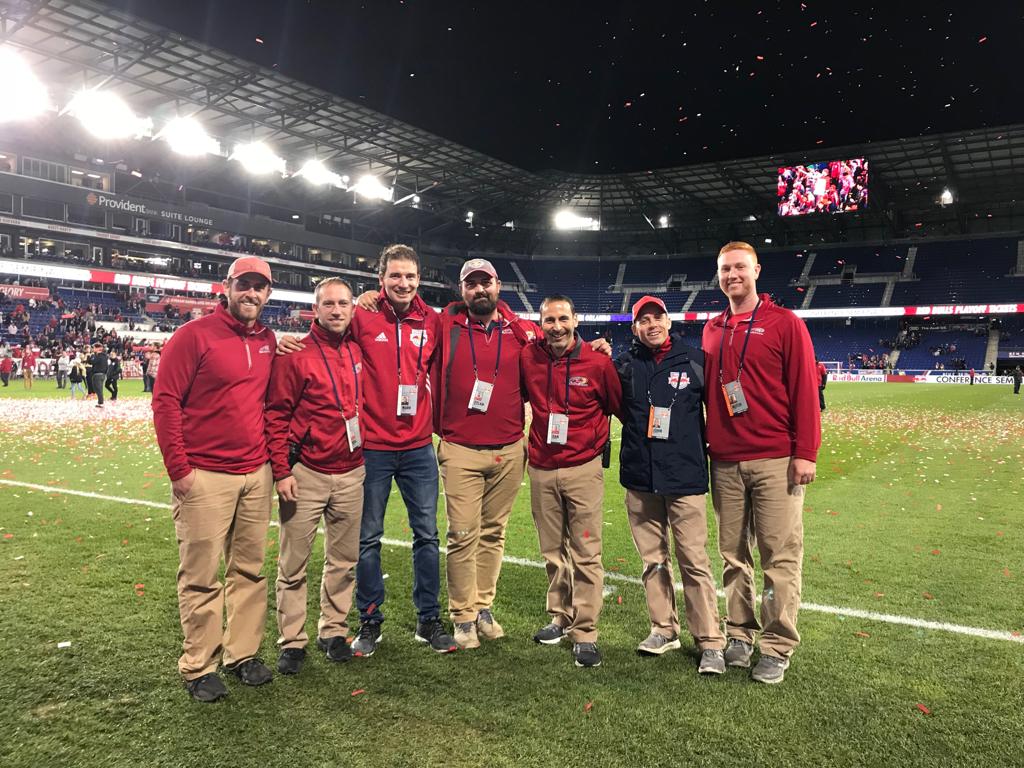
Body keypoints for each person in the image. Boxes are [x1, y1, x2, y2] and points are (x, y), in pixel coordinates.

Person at [277, 244, 456, 655]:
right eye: (395, 275)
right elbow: (326, 335)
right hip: (370, 448)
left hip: (417, 447)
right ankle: (369, 620)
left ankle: (428, 619)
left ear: (419, 278)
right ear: (381, 279)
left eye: (410, 276)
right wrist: (284, 340)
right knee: (366, 539)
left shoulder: (433, 321)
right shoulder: (360, 314)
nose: (403, 283)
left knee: (427, 535)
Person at [152, 256, 277, 702]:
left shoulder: (268, 338)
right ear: (226, 286)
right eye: (245, 285)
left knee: (250, 571)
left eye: (260, 288)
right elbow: (165, 402)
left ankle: (242, 654)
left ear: (268, 294)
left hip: (256, 473)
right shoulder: (193, 336)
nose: (252, 294)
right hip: (204, 475)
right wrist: (180, 471)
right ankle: (199, 666)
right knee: (201, 575)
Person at [702, 242, 821, 685]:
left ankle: (776, 644)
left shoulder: (785, 323)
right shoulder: (712, 328)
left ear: (756, 270)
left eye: (739, 267)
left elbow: (805, 391)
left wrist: (805, 452)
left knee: (779, 557)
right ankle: (738, 633)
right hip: (726, 461)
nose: (732, 275)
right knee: (733, 555)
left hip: (775, 458)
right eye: (724, 269)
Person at [614, 296, 726, 674]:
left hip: (685, 475)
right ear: (634, 328)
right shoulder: (625, 365)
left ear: (668, 320)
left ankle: (710, 639)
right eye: (642, 320)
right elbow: (615, 407)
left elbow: (720, 409)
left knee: (694, 560)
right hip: (641, 478)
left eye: (657, 317)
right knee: (653, 560)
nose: (651, 324)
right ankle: (663, 628)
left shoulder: (696, 360)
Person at [431, 259, 539, 649]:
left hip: (510, 449)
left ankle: (482, 607)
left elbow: (556, 354)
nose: (480, 290)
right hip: (460, 447)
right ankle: (462, 615)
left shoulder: (521, 330)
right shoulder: (443, 325)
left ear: (498, 286)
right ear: (461, 290)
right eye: (471, 284)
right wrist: (375, 300)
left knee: (494, 534)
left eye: (486, 283)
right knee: (462, 534)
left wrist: (591, 344)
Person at [265, 278, 365, 675]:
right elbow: (276, 414)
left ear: (353, 309)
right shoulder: (294, 353)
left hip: (352, 470)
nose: (337, 310)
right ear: (315, 309)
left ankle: (333, 630)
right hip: (305, 473)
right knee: (293, 562)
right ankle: (292, 640)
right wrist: (281, 470)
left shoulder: (357, 350)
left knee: (343, 560)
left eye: (344, 303)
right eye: (329, 304)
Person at [520, 294, 622, 668]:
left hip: (582, 467)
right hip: (542, 466)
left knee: (586, 551)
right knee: (552, 550)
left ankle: (586, 631)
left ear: (576, 320)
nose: (557, 326)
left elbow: (614, 405)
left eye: (563, 318)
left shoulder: (598, 362)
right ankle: (560, 617)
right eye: (550, 320)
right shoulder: (528, 357)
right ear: (540, 323)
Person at [89, 343, 108, 408]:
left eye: (94, 348)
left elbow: (92, 362)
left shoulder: (99, 356)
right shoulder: (104, 356)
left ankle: (101, 402)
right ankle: (100, 402)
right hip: (101, 374)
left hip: (98, 374)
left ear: (98, 348)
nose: (93, 349)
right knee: (96, 389)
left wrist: (90, 356)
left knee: (98, 389)